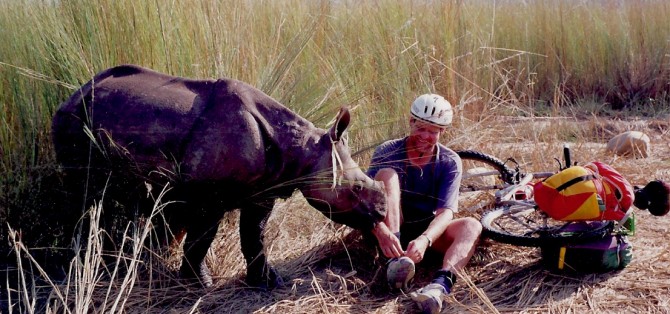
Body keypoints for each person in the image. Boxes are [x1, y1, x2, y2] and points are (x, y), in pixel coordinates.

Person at [367, 94, 482, 314]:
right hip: (389, 228)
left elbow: (446, 212)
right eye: (421, 128)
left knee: (472, 226)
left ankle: (439, 286)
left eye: (433, 131)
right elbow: (363, 201)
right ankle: (396, 262)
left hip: (426, 232)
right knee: (388, 175)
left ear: (442, 132)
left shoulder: (450, 161)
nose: (425, 136)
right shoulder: (387, 151)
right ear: (411, 122)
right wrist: (381, 232)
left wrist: (425, 240)